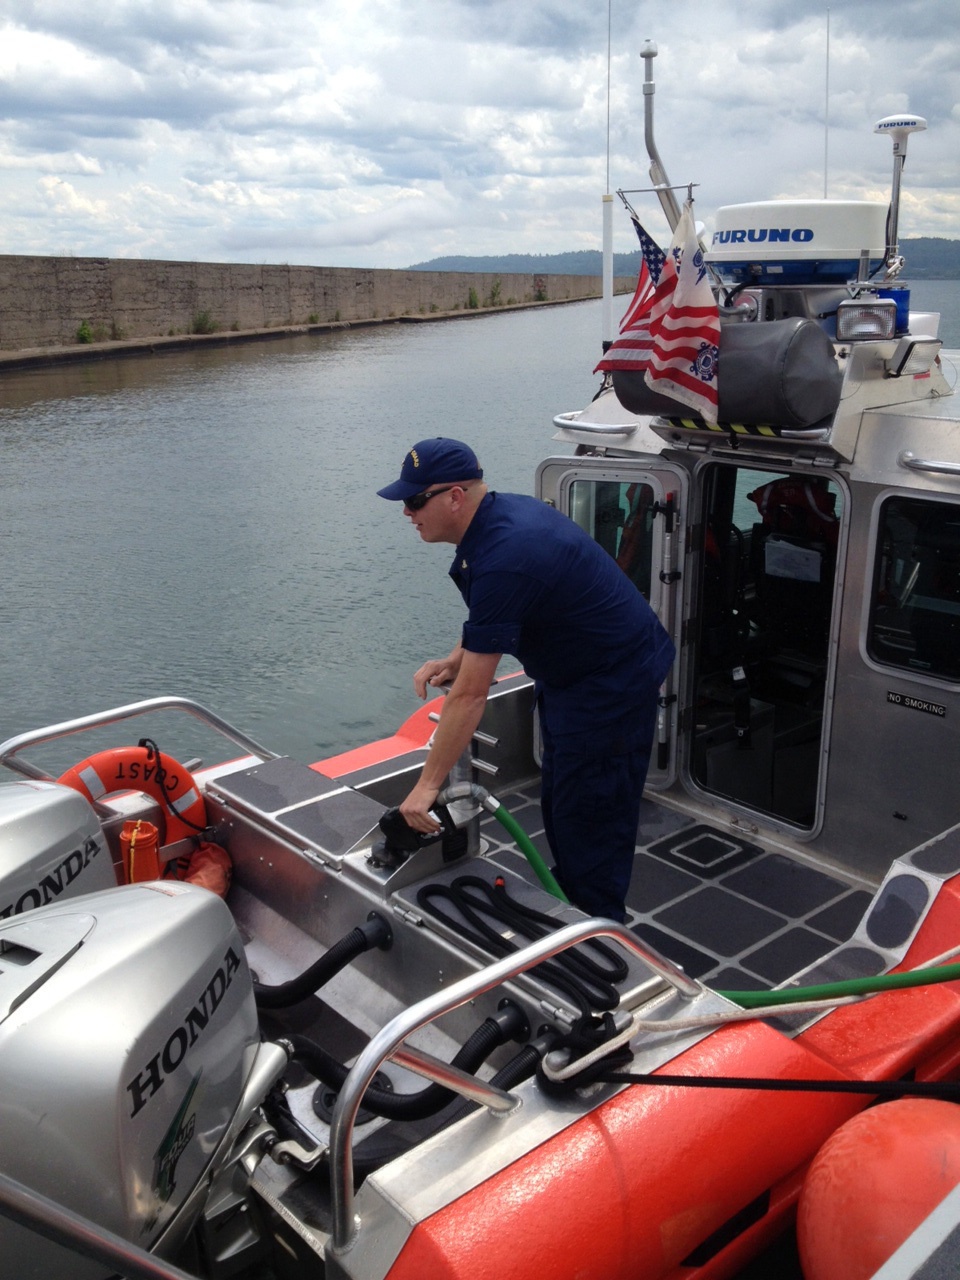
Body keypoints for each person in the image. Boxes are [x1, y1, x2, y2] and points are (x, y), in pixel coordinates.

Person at [377, 437, 675, 922]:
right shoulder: (496, 522)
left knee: (592, 818)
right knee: (562, 803)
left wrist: (427, 786)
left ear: (455, 496)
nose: (407, 513)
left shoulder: (506, 553)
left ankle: (601, 938)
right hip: (573, 679)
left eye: (414, 501)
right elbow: (493, 617)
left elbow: (472, 697)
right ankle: (574, 904)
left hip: (610, 688)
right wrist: (457, 657)